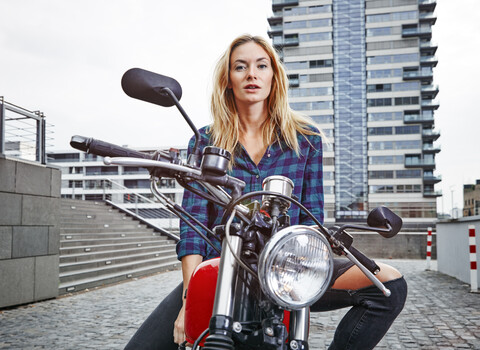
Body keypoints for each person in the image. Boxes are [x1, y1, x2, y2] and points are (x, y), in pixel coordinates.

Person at [125, 34, 407, 350]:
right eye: (240, 67)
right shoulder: (206, 140)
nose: (251, 74)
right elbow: (192, 226)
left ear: (274, 76)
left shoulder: (305, 138)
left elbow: (310, 216)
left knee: (390, 284)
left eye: (261, 65)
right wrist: (189, 300)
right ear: (228, 80)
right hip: (223, 270)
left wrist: (306, 272)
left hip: (287, 270)